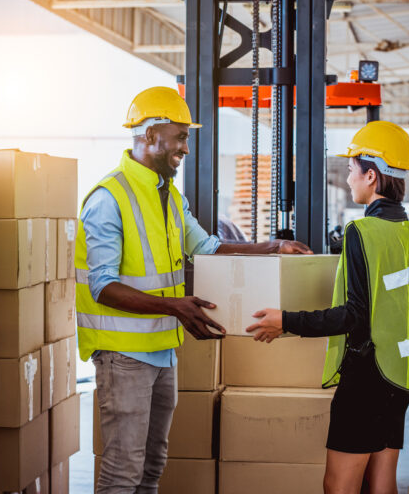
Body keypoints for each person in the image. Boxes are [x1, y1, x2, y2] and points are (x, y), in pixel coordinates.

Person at [76, 86, 312, 494]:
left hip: (162, 349)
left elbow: (207, 246)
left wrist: (273, 246)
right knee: (122, 471)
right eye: (180, 136)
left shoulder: (168, 196)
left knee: (152, 466)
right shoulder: (108, 198)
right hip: (123, 354)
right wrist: (176, 307)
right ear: (150, 136)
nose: (186, 146)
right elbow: (103, 286)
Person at [247, 120, 409, 494]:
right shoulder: (406, 231)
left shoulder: (361, 231)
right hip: (399, 375)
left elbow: (353, 315)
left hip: (367, 376)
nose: (348, 178)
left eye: (351, 170)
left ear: (371, 175)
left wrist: (285, 321)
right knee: (382, 485)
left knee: (339, 486)